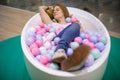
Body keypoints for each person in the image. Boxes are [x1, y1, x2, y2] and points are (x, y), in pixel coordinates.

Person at [39, 4, 90, 71]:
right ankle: (59, 51)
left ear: (64, 12)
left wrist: (75, 22)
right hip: (55, 43)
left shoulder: (71, 24)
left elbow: (82, 34)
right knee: (75, 25)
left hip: (71, 45)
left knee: (75, 26)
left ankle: (66, 62)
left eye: (57, 10)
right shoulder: (52, 24)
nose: (54, 11)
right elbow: (41, 8)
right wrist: (49, 7)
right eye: (53, 11)